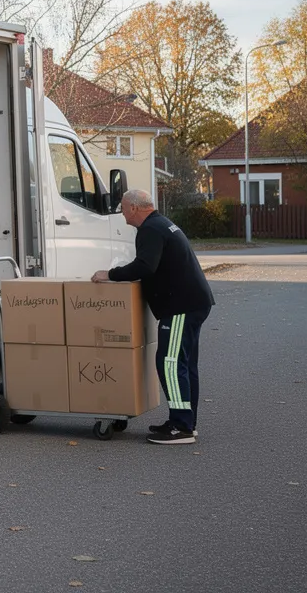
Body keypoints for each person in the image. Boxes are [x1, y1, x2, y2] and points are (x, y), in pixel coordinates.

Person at [93, 189, 214, 445]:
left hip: (182, 305)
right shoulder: (161, 224)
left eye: (123, 207)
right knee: (184, 363)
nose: (122, 212)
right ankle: (184, 422)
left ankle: (181, 426)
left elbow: (145, 266)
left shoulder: (151, 229)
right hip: (192, 302)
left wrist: (110, 274)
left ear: (135, 208)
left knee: (169, 362)